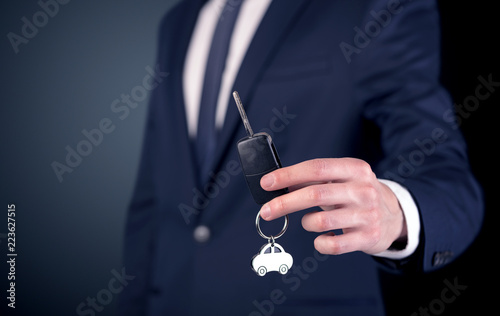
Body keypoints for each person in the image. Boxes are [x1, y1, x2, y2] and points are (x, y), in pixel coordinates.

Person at [119, 0, 483, 315]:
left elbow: (445, 174)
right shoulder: (177, 23)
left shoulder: (368, 6)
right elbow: (152, 205)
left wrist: (397, 212)